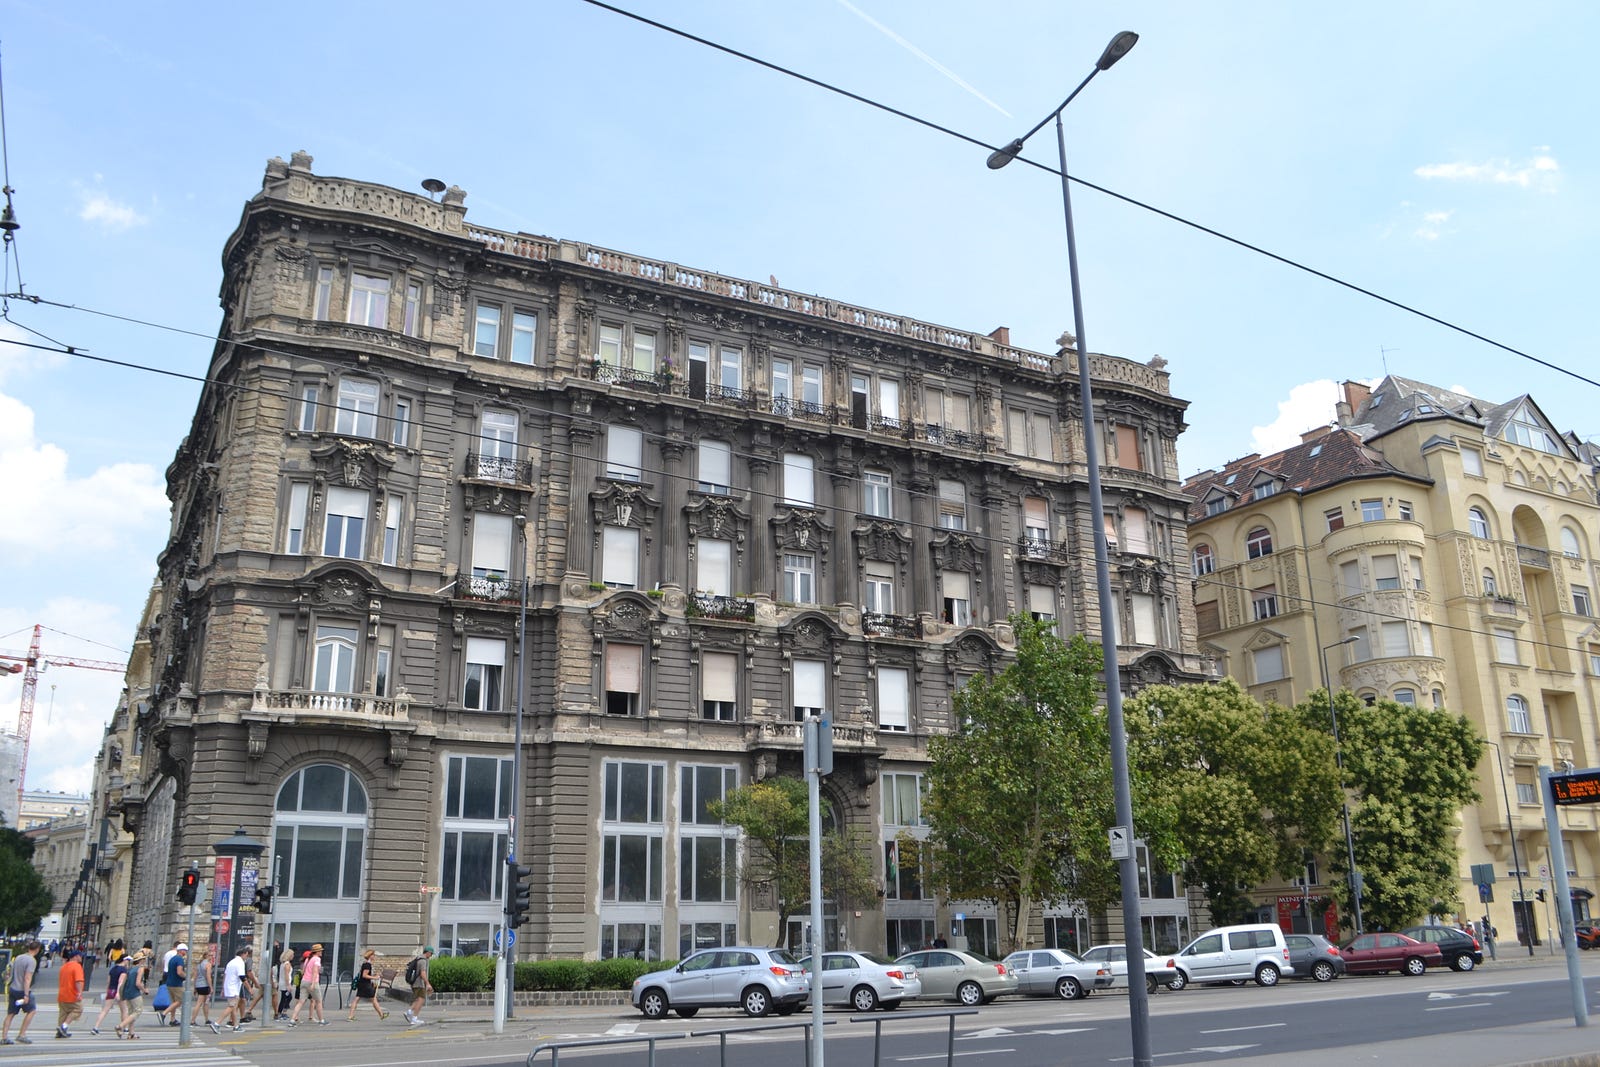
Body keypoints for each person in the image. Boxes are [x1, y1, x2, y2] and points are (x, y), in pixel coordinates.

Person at [1, 939, 42, 1045]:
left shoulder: (19, 957)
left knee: (10, 1014)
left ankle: (4, 1037)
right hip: (22, 990)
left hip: (13, 988)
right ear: (37, 949)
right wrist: (26, 994)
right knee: (32, 1010)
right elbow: (27, 978)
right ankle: (22, 1034)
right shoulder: (32, 961)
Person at [214, 946, 253, 1033]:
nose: (246, 957)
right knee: (231, 1007)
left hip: (229, 987)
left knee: (234, 1008)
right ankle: (217, 1023)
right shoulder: (240, 963)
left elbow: (225, 975)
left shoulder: (231, 962)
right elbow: (242, 977)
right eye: (246, 955)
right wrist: (249, 988)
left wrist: (223, 988)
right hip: (234, 988)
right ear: (243, 954)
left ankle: (236, 1026)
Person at [89, 950, 127, 1035]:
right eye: (128, 960)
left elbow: (108, 981)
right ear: (125, 960)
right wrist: (118, 992)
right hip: (119, 991)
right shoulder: (123, 970)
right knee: (124, 1010)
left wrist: (107, 991)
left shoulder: (113, 969)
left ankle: (96, 1027)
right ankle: (125, 1027)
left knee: (105, 1010)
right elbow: (120, 982)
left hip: (111, 990)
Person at [288, 944, 327, 1026]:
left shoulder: (308, 959)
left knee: (301, 1002)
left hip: (304, 981)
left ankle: (292, 1020)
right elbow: (315, 972)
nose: (321, 952)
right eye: (320, 951)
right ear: (317, 952)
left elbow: (304, 970)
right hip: (312, 982)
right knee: (318, 1001)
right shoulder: (317, 959)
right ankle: (321, 1020)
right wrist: (313, 984)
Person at [118, 947, 151, 1039]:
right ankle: (121, 1026)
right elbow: (138, 983)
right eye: (143, 959)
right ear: (140, 960)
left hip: (127, 992)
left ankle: (131, 1033)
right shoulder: (140, 969)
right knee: (138, 1011)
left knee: (131, 1013)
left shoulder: (131, 969)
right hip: (135, 993)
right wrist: (144, 990)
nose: (144, 960)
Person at [347, 949, 387, 1021]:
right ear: (370, 956)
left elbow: (365, 974)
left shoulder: (365, 963)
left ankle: (350, 1016)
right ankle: (381, 1015)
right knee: (373, 999)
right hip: (366, 985)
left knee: (357, 999)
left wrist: (375, 975)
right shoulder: (368, 965)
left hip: (362, 984)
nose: (374, 956)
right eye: (373, 955)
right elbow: (364, 975)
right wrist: (375, 977)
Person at [56, 947, 85, 1038]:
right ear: (76, 957)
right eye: (80, 956)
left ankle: (60, 1031)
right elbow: (78, 981)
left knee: (63, 1013)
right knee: (78, 1009)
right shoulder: (77, 966)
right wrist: (79, 992)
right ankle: (64, 1027)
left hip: (62, 994)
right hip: (71, 994)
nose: (81, 958)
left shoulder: (64, 966)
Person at [403, 947, 433, 1026]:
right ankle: (414, 1018)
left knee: (418, 999)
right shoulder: (423, 961)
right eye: (431, 954)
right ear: (428, 952)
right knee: (421, 1000)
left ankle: (409, 1012)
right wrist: (427, 983)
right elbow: (422, 973)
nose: (431, 956)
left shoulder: (418, 958)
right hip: (419, 983)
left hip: (414, 983)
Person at [159, 944, 187, 1026]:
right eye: (185, 950)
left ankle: (172, 1019)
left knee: (174, 1002)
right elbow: (179, 972)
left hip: (169, 982)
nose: (186, 952)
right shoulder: (179, 959)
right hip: (176, 983)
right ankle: (164, 1013)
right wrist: (186, 976)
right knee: (181, 1000)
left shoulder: (172, 959)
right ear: (181, 951)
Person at [188, 948, 214, 1029]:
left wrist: (195, 987)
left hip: (199, 985)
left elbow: (195, 976)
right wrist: (211, 987)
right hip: (204, 985)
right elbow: (208, 976)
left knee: (205, 1003)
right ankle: (192, 1021)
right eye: (210, 955)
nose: (211, 957)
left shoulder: (199, 965)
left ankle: (207, 1019)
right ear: (206, 956)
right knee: (200, 1003)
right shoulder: (208, 964)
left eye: (212, 955)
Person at [274, 948, 295, 1020]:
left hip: (282, 983)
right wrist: (288, 985)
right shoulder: (287, 964)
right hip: (285, 984)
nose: (293, 956)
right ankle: (281, 1012)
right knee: (286, 998)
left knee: (285, 998)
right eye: (292, 955)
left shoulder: (282, 964)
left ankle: (281, 1012)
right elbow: (287, 975)